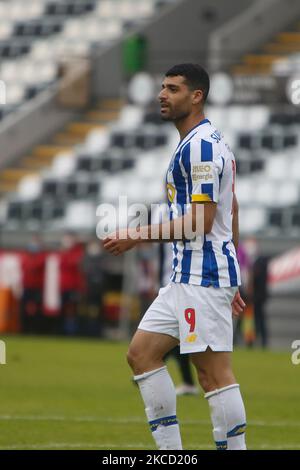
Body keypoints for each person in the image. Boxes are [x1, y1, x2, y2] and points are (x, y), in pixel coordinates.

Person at [103, 63, 246, 450]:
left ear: (196, 96)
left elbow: (201, 220)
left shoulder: (201, 145)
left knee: (213, 376)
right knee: (141, 355)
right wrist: (233, 276)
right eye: (162, 87)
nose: (162, 95)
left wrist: (138, 234)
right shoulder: (198, 141)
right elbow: (231, 205)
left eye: (173, 89)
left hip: (203, 278)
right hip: (191, 277)